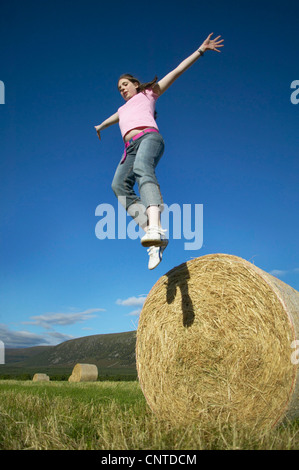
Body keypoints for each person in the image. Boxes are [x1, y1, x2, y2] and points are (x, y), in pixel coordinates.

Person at [95, 33, 224, 269]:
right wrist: (101, 125)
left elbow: (175, 72)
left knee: (143, 168)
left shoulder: (148, 93)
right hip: (129, 148)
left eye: (125, 84)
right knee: (118, 185)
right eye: (119, 88)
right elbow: (115, 117)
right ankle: (153, 237)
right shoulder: (122, 109)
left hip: (149, 138)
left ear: (136, 84)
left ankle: (155, 226)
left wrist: (200, 51)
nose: (122, 89)